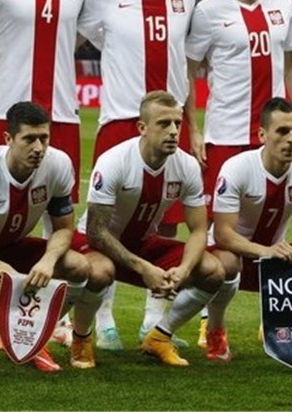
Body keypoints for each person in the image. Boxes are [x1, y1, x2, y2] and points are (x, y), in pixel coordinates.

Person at [185, 0, 292, 346]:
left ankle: (273, 314)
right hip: (226, 135)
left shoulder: (282, 4)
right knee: (218, 231)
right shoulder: (209, 11)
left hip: (274, 136)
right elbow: (188, 69)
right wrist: (193, 127)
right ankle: (211, 321)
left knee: (276, 222)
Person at [0, 0, 91, 349]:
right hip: (8, 110)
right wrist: (4, 40)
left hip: (62, 112)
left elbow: (79, 31)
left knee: (56, 216)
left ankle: (47, 317)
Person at [76, 0, 196, 350]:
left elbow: (186, 65)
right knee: (107, 222)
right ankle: (103, 318)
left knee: (168, 223)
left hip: (171, 121)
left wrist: (194, 127)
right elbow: (73, 37)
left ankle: (153, 320)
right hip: (122, 119)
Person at [0, 101, 109, 373]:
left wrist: (48, 261)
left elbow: (64, 228)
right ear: (8, 139)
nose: (38, 148)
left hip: (13, 246)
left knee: (78, 266)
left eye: (44, 138)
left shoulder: (58, 164)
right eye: (29, 139)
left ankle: (33, 337)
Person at [73, 91, 224, 366]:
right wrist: (144, 268)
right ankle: (81, 338)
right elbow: (96, 231)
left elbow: (199, 230)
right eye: (164, 123)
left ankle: (160, 336)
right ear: (142, 128)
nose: (173, 131)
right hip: (96, 243)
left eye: (177, 123)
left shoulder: (187, 166)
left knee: (214, 271)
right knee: (100, 272)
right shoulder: (114, 161)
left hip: (142, 242)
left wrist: (184, 270)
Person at [204, 97, 292, 362]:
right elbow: (223, 234)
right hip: (232, 253)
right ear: (263, 135)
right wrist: (265, 251)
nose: (291, 138)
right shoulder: (237, 167)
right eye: (282, 131)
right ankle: (215, 330)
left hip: (275, 256)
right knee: (227, 264)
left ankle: (283, 325)